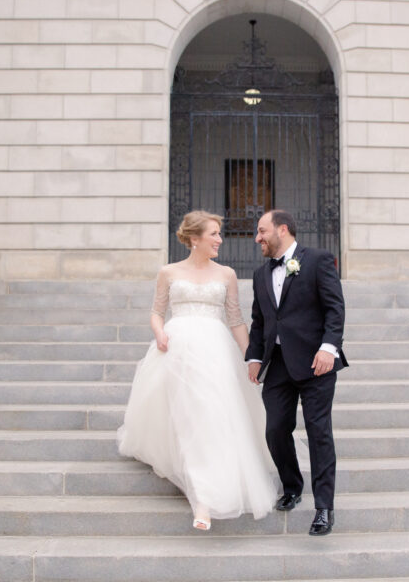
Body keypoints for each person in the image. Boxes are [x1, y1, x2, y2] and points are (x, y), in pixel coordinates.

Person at [117, 210, 277, 531]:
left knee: (209, 415)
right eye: (214, 234)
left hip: (215, 351)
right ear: (194, 239)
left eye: (219, 234)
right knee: (186, 416)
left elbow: (235, 320)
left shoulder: (227, 274)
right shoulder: (168, 272)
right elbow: (156, 312)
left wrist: (251, 358)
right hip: (176, 349)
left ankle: (204, 497)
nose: (220, 240)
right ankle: (200, 495)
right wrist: (160, 333)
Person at [246, 210, 347, 536]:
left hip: (317, 363)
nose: (257, 238)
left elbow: (335, 308)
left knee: (319, 434)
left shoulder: (317, 260)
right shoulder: (261, 275)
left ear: (282, 229)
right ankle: (292, 486)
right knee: (275, 429)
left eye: (262, 231)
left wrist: (328, 348)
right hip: (278, 366)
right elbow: (260, 321)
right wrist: (254, 357)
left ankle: (324, 508)